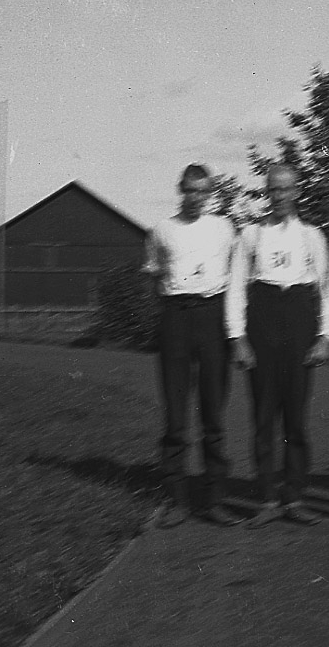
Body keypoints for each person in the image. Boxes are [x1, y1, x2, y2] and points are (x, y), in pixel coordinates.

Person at [226, 163, 329, 527]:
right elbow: (235, 289)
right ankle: (267, 499)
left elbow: (325, 288)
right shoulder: (250, 235)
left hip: (299, 320)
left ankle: (295, 497)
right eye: (274, 189)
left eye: (287, 189)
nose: (280, 196)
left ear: (297, 192)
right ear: (267, 192)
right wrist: (238, 338)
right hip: (263, 320)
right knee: (263, 417)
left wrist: (326, 336)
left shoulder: (312, 235)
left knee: (296, 417)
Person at [143, 163, 243, 528]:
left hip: (212, 316)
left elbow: (236, 276)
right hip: (176, 316)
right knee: (175, 413)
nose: (196, 197)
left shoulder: (224, 228)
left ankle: (214, 498)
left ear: (210, 193)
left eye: (203, 191)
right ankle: (176, 500)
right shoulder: (161, 231)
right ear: (180, 190)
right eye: (190, 190)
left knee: (213, 412)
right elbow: (153, 279)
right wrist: (170, 314)